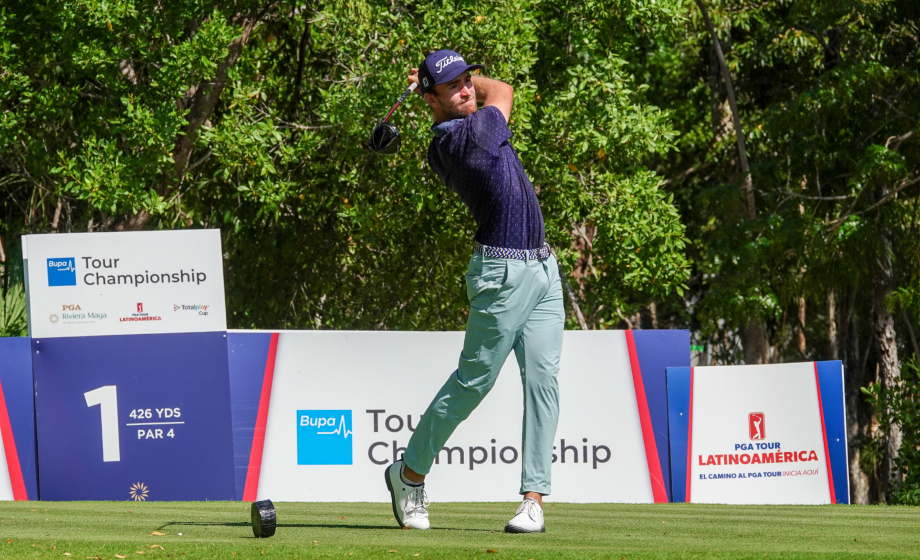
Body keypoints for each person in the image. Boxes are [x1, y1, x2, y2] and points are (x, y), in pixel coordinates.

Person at [384, 50, 565, 534]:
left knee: (542, 384)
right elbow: (502, 90)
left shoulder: (459, 127)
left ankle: (533, 500)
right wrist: (462, 83)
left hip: (544, 267)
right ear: (431, 100)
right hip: (502, 275)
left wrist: (438, 78)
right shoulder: (469, 135)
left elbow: (481, 92)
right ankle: (408, 475)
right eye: (455, 87)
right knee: (473, 384)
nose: (468, 90)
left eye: (468, 80)